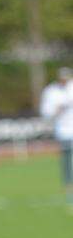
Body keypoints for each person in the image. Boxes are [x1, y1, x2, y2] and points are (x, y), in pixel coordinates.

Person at [40, 67, 73, 205]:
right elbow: (45, 112)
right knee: (67, 161)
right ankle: (69, 188)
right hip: (64, 131)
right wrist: (56, 110)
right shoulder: (51, 91)